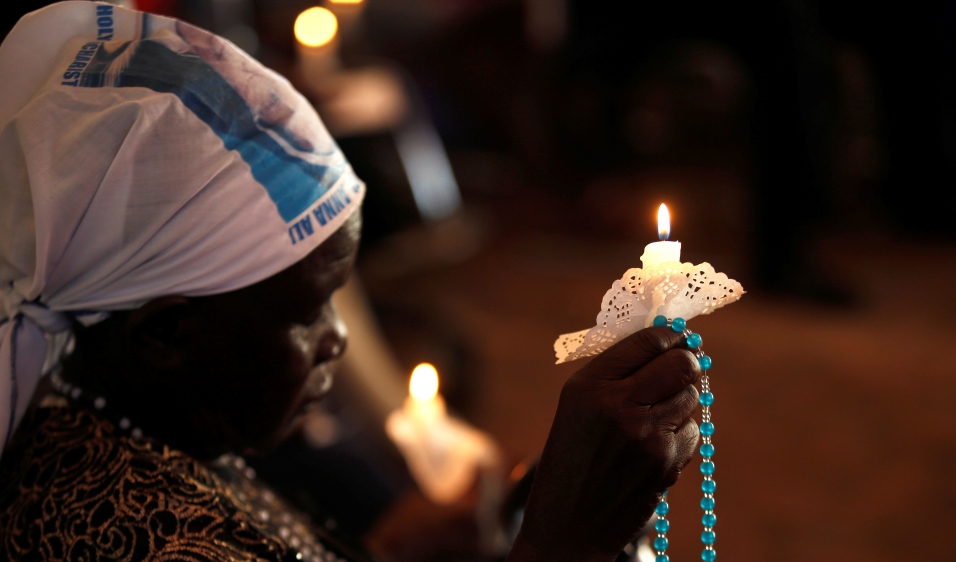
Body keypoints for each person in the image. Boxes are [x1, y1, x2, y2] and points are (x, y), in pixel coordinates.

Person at [0, 3, 703, 561]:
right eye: (307, 311)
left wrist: (381, 551)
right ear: (166, 335)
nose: (337, 337)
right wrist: (561, 545)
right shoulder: (131, 529)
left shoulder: (136, 422)